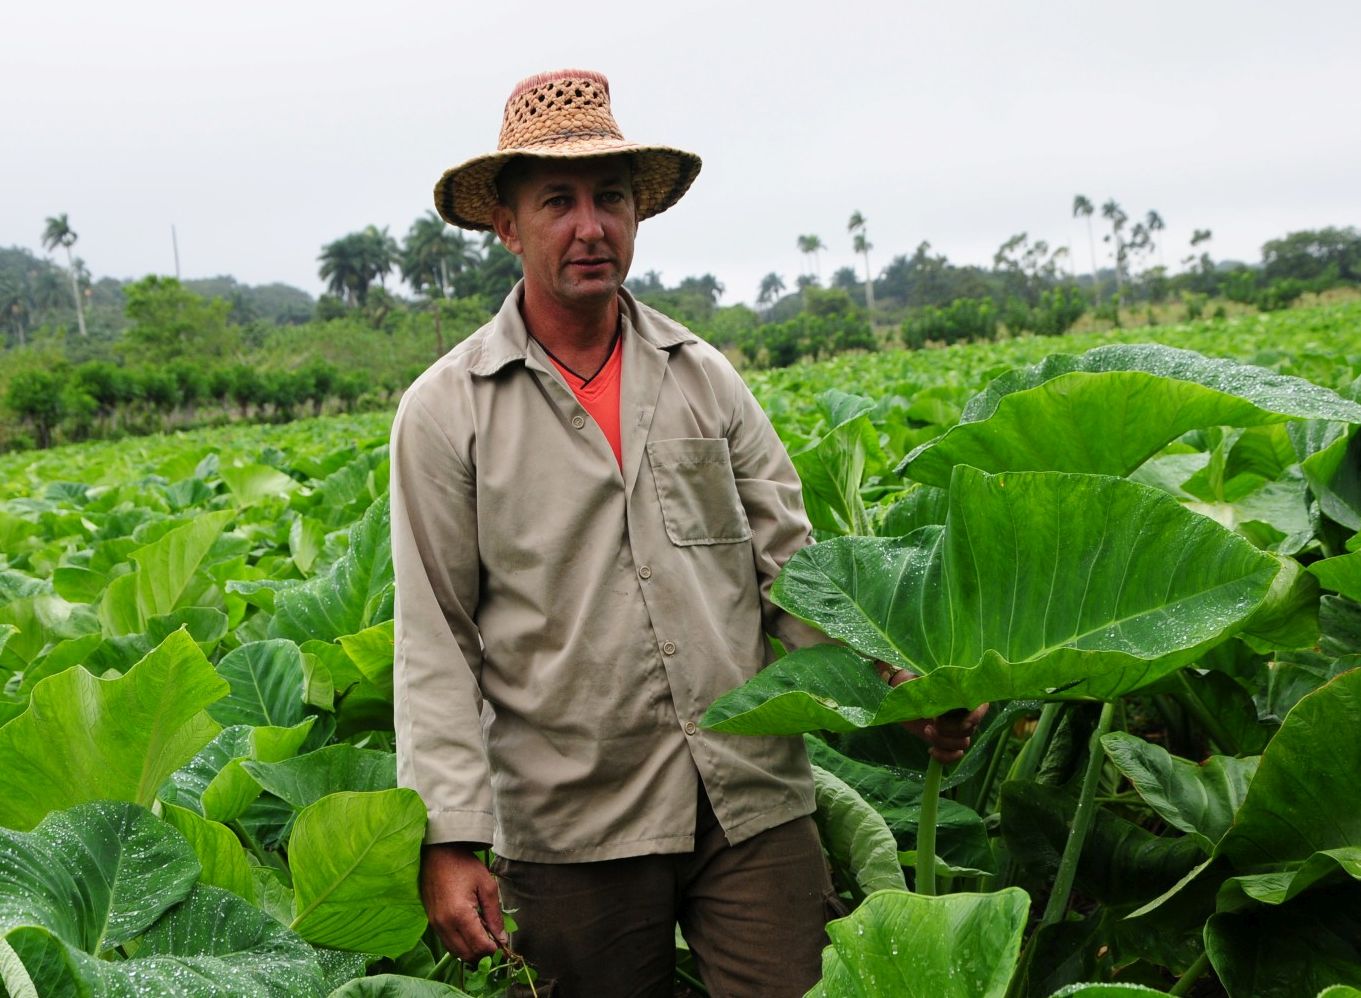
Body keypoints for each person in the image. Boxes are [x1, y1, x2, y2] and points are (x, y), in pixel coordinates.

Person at [391, 68, 984, 997]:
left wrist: (898, 684)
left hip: (748, 797)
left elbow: (793, 573)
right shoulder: (446, 411)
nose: (590, 225)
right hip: (575, 818)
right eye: (558, 201)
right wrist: (447, 834)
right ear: (506, 225)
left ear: (638, 214)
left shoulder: (704, 377)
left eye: (611, 197)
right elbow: (434, 637)